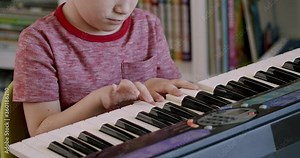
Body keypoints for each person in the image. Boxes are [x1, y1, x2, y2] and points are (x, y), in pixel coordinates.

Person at [13, 0, 199, 137]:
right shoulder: (38, 42)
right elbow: (40, 131)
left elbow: (173, 95)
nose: (123, 9)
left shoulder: (148, 25)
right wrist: (100, 101)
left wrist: (159, 86)